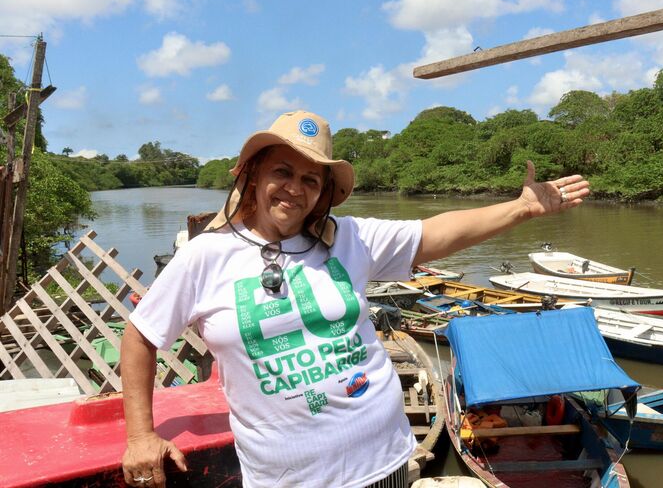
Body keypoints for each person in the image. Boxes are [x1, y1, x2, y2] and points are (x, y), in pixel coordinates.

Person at [120, 110, 589, 488]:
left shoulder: (349, 239)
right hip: (286, 477)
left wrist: (522, 207)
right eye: (282, 171)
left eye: (311, 180)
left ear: (324, 192)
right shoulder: (206, 256)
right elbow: (140, 335)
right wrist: (141, 435)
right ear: (253, 175)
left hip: (383, 458)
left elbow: (437, 232)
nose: (295, 188)